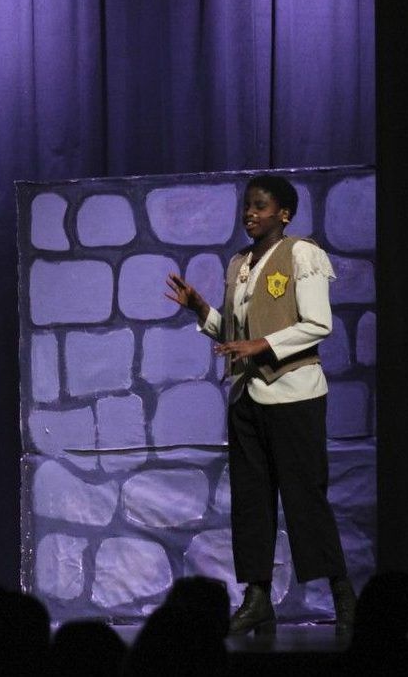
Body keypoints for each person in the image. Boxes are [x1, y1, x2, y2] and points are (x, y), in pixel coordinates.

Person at [165, 174, 355, 636]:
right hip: (248, 397)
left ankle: (342, 592)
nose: (250, 213)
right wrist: (201, 309)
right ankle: (257, 597)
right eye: (247, 206)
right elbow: (234, 339)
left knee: (304, 496)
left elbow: (317, 324)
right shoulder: (240, 264)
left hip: (294, 395)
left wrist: (263, 344)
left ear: (283, 214)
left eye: (261, 206)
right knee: (251, 503)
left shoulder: (302, 255)